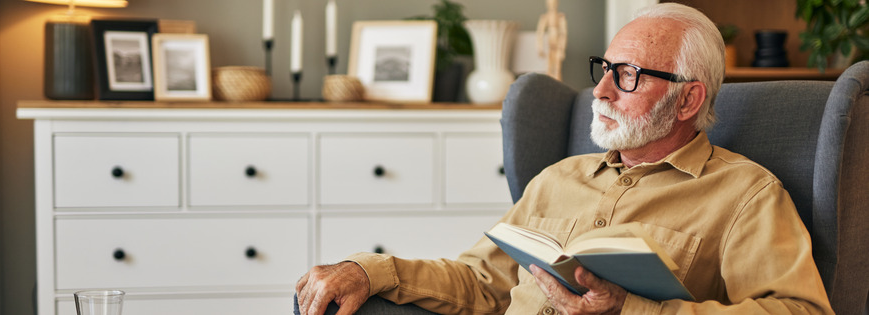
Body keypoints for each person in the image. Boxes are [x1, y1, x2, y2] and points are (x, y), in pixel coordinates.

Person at [296, 3, 834, 314]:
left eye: (628, 75)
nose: (600, 90)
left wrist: (635, 310)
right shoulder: (558, 178)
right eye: (605, 68)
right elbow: (480, 282)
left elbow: (799, 312)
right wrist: (370, 270)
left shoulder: (745, 195)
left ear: (688, 99)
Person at [536, 0, 567, 81]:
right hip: (549, 45)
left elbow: (564, 33)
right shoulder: (545, 17)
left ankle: (558, 87)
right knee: (549, 67)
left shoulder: (560, 17)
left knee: (557, 68)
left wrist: (562, 49)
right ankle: (549, 87)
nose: (552, 5)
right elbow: (540, 33)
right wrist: (540, 47)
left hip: (558, 45)